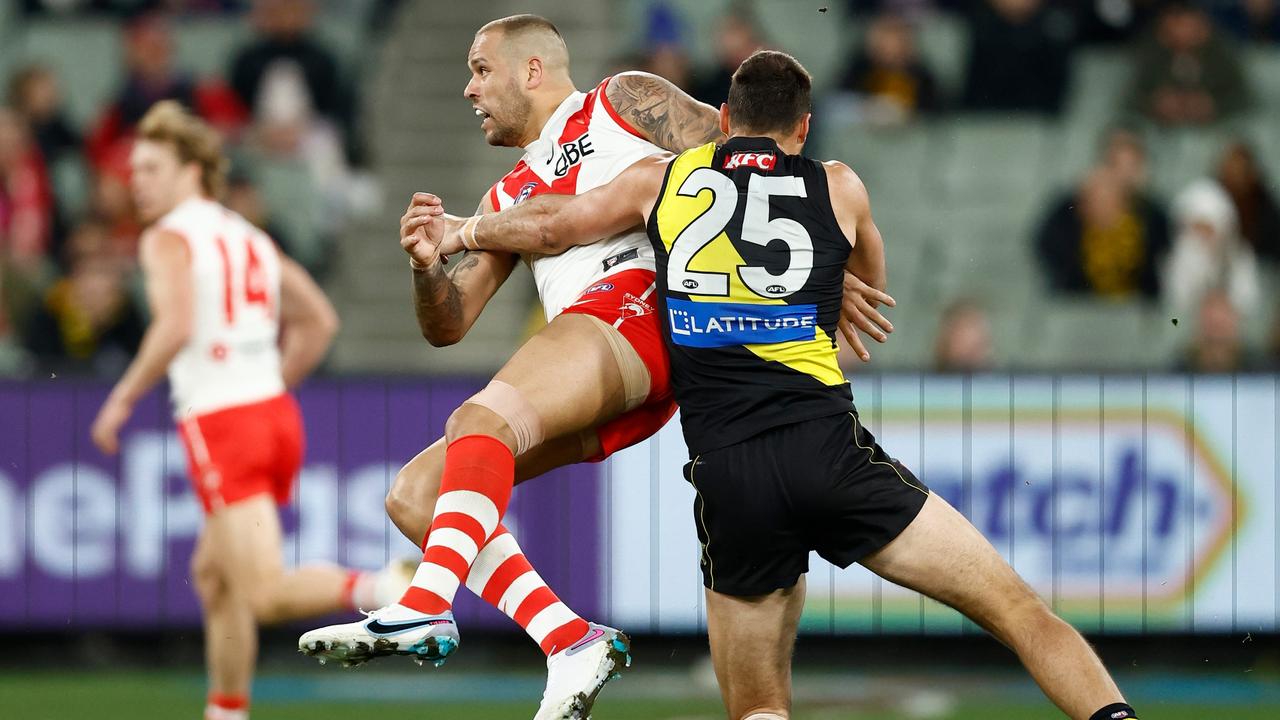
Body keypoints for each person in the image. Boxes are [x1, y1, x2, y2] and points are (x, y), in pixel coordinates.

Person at [426, 49, 1140, 720]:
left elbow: (552, 227)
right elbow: (868, 286)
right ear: (803, 127)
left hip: (731, 475)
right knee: (1019, 612)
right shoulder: (840, 186)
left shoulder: (660, 183)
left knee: (759, 706)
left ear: (724, 119)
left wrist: (462, 232)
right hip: (827, 452)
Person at [296, 15, 893, 720]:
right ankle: (569, 639)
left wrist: (803, 259)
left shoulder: (621, 101)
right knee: (416, 494)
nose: (467, 89)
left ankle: (425, 604)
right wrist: (428, 270)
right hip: (610, 363)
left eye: (480, 69)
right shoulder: (503, 199)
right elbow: (448, 325)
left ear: (532, 71)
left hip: (640, 306)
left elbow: (742, 159)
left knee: (479, 418)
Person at [87, 101, 410, 720]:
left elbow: (176, 324)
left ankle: (384, 587)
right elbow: (319, 322)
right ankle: (226, 710)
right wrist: (266, 386)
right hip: (271, 415)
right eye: (135, 169)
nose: (137, 181)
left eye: (152, 167)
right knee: (215, 576)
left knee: (261, 591)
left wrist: (121, 399)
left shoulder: (167, 237)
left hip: (224, 423)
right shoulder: (246, 232)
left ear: (191, 171)